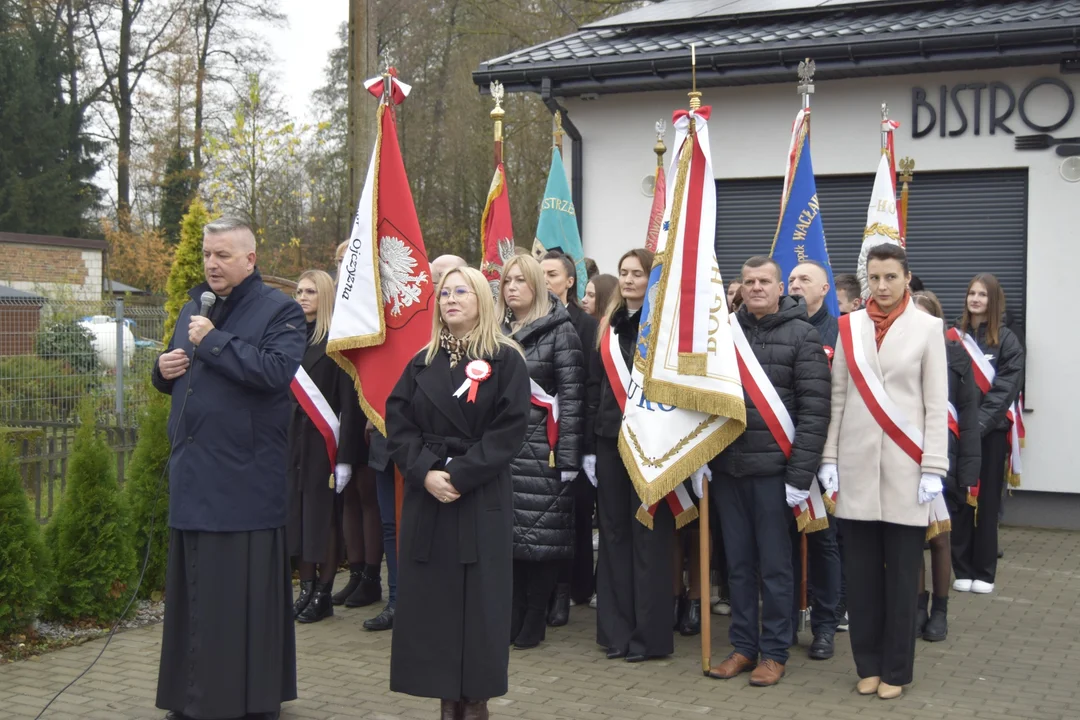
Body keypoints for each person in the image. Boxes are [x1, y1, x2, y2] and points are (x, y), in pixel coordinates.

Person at [153, 217, 305, 720]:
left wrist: (213, 342)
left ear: (250, 259)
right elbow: (186, 377)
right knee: (194, 596)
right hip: (194, 473)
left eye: (222, 255)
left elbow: (274, 372)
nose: (212, 264)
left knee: (234, 601)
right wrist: (163, 371)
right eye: (207, 254)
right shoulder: (195, 306)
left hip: (243, 483)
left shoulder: (279, 311)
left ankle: (244, 699)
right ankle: (190, 696)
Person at [386, 266, 530, 720]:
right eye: (444, 293)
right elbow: (398, 425)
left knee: (480, 608)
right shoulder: (421, 362)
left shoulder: (506, 359)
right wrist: (426, 472)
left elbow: (509, 432)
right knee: (437, 607)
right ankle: (448, 702)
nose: (449, 299)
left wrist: (460, 475)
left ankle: (475, 704)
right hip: (429, 499)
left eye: (460, 291)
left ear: (481, 300)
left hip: (479, 497)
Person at [819, 243, 948, 700]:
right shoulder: (848, 326)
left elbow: (935, 404)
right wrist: (829, 459)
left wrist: (934, 465)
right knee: (862, 576)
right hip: (854, 467)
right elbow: (838, 399)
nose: (882, 286)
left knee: (901, 577)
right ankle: (867, 664)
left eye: (890, 277)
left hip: (906, 469)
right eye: (875, 277)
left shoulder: (928, 328)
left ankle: (897, 670)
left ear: (906, 278)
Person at [706, 256, 830, 687]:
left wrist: (800, 477)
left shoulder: (804, 335)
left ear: (782, 289)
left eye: (765, 281)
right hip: (728, 470)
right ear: (740, 288)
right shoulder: (723, 335)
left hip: (775, 474)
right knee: (737, 565)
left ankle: (774, 652)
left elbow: (816, 413)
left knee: (776, 568)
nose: (756, 287)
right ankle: (743, 646)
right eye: (750, 281)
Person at [584, 248, 675, 663]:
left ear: (651, 279)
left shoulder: (663, 327)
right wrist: (588, 447)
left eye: (638, 273)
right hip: (608, 440)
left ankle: (648, 637)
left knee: (649, 537)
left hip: (652, 442)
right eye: (623, 273)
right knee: (614, 534)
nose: (629, 279)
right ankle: (615, 632)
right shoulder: (606, 325)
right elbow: (591, 386)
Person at [499, 254, 585, 647]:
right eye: (506, 281)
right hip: (502, 451)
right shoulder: (495, 329)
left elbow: (572, 399)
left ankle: (535, 615)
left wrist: (568, 458)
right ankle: (513, 610)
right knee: (510, 538)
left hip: (543, 451)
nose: (511, 287)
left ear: (537, 284)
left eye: (520, 280)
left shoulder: (560, 332)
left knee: (544, 539)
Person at [286, 270, 364, 624]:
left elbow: (349, 405)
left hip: (324, 443)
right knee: (298, 517)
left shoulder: (338, 343)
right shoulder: (287, 338)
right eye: (299, 291)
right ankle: (304, 588)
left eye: (310, 291)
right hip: (292, 441)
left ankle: (323, 592)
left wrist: (345, 458)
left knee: (324, 519)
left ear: (327, 296)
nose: (302, 297)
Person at [912, 290, 981, 642]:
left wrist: (968, 472)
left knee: (939, 539)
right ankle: (917, 607)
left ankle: (940, 610)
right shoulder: (900, 353)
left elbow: (968, 418)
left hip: (944, 461)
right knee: (911, 541)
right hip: (906, 457)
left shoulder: (955, 357)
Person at [949, 274, 1025, 595]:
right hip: (957, 433)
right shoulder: (953, 338)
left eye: (983, 294)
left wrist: (978, 424)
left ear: (994, 301)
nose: (976, 299)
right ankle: (962, 568)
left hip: (991, 434)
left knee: (987, 501)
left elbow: (1005, 389)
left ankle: (984, 571)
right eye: (972, 293)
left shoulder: (1007, 340)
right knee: (959, 500)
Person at [785, 260, 843, 660]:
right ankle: (784, 622)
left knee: (824, 543)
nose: (795, 285)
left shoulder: (840, 333)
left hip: (823, 456)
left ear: (825, 289)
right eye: (790, 279)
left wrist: (830, 457)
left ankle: (825, 626)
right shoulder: (778, 327)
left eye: (805, 279)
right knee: (783, 544)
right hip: (780, 453)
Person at [541, 251, 599, 621]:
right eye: (540, 273)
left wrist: (586, 447)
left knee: (572, 515)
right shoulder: (525, 320)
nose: (545, 280)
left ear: (570, 281)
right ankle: (542, 591)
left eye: (552, 274)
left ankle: (569, 590)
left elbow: (591, 389)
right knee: (542, 517)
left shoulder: (587, 325)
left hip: (573, 434)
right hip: (536, 437)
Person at [328, 244, 384, 612]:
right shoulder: (341, 308)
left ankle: (371, 579)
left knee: (367, 497)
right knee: (347, 499)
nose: (342, 266)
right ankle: (356, 573)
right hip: (341, 410)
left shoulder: (373, 306)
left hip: (366, 410)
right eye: (339, 261)